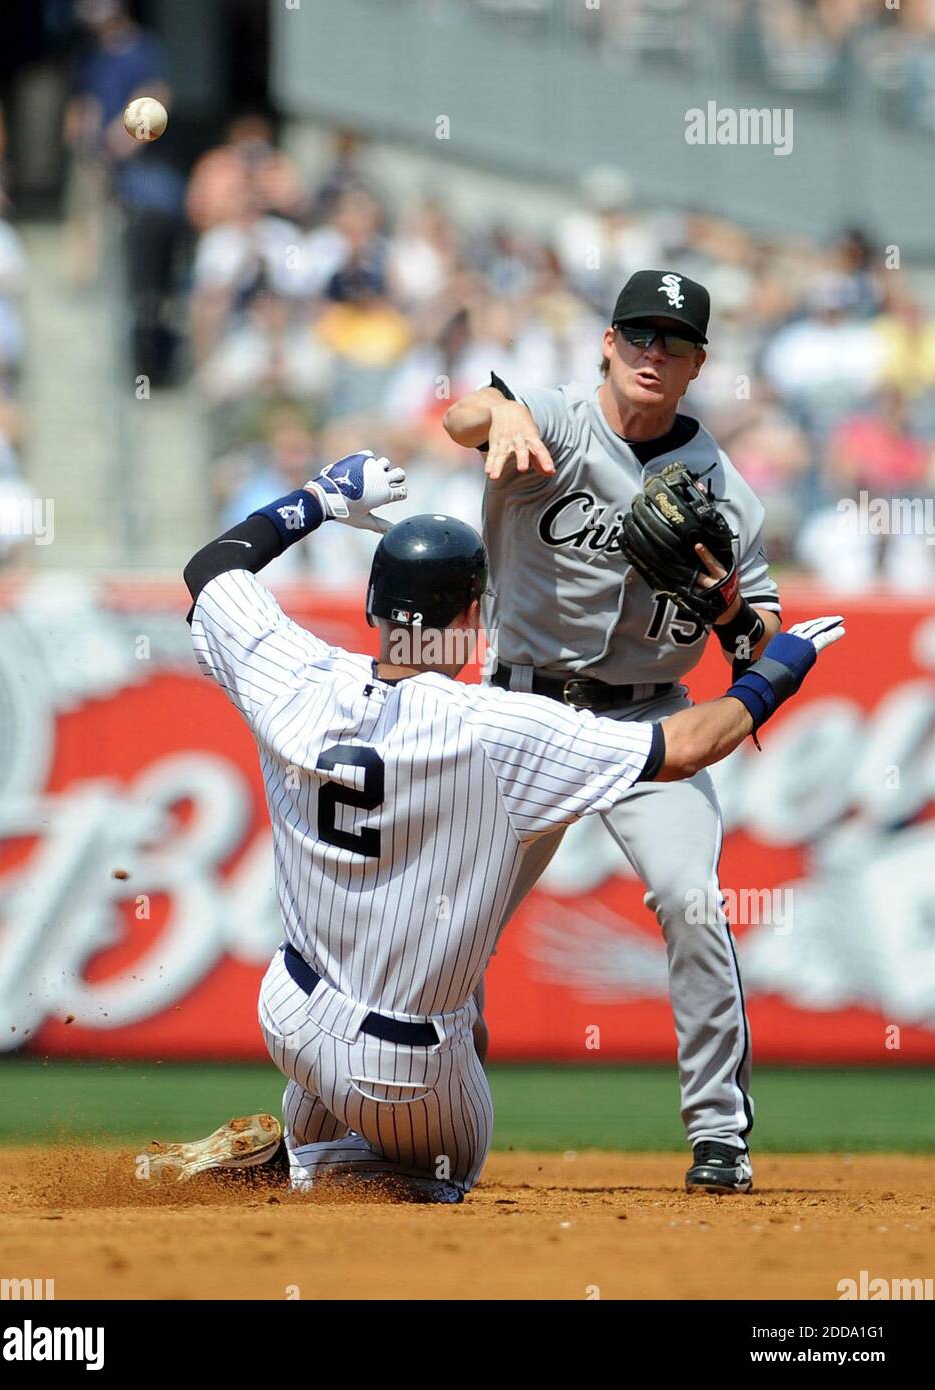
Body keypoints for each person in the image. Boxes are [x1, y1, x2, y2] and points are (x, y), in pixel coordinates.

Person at [145, 449, 843, 1200]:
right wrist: (780, 667)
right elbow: (689, 747)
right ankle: (297, 1168)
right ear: (475, 615)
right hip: (400, 1070)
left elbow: (212, 571)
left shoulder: (294, 673)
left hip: (286, 1009)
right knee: (442, 1175)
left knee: (358, 1064)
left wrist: (321, 497)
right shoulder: (497, 729)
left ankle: (300, 1143)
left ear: (375, 606)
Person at [442, 269, 786, 1194]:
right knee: (454, 927)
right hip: (525, 712)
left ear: (697, 365)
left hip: (648, 725)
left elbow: (763, 649)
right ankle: (433, 1120)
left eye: (672, 343)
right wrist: (500, 416)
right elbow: (462, 418)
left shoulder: (727, 494)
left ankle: (720, 1137)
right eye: (637, 334)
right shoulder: (553, 415)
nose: (651, 353)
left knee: (693, 904)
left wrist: (724, 608)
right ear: (606, 341)